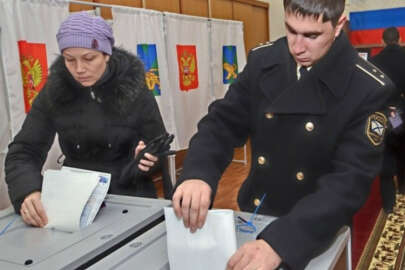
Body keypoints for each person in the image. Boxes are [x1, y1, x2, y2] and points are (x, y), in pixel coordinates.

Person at [172, 0, 395, 269]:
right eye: (290, 30)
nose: (297, 47)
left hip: (313, 227)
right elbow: (221, 123)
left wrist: (283, 241)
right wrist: (198, 172)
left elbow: (349, 182)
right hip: (256, 212)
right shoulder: (263, 60)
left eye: (312, 36)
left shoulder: (368, 88)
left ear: (339, 26)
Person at [5, 12, 169, 228]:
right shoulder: (55, 91)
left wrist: (147, 160)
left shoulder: (134, 89)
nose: (79, 69)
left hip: (129, 197)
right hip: (74, 199)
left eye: (89, 58)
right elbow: (23, 151)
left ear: (106, 55)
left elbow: (159, 148)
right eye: (69, 60)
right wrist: (27, 191)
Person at [370, 26, 405, 212]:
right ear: (399, 40)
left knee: (384, 154)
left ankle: (389, 203)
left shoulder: (374, 62)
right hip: (401, 112)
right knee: (402, 148)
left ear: (382, 41)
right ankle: (403, 187)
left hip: (381, 114)